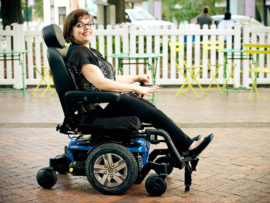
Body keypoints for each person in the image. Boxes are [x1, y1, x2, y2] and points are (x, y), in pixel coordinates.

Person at [63, 9, 213, 158]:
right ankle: (188, 145)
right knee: (153, 113)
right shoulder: (79, 53)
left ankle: (182, 146)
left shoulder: (89, 51)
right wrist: (133, 87)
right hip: (98, 108)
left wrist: (137, 78)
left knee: (151, 109)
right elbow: (102, 83)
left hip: (106, 101)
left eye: (88, 23)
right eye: (79, 25)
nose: (86, 27)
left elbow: (111, 78)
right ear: (70, 31)